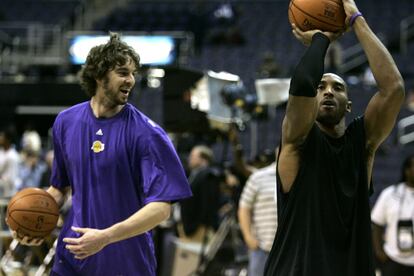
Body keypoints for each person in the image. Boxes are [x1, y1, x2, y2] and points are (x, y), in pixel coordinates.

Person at [10, 32, 192, 276]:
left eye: (133, 73)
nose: (131, 80)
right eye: (122, 73)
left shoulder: (148, 134)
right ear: (98, 75)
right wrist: (31, 223)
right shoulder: (66, 121)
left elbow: (161, 208)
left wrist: (106, 236)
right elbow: (59, 189)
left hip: (125, 264)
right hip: (72, 257)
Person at [264, 0, 405, 275]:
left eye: (337, 87)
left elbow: (394, 89)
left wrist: (357, 20)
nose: (328, 91)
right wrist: (322, 38)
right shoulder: (297, 140)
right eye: (322, 87)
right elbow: (303, 83)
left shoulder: (362, 144)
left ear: (349, 105)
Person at [371, 155, 414, 275]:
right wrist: (379, 251)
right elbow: (377, 224)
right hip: (393, 260)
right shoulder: (390, 194)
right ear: (407, 170)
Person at [238, 156, 277, 276]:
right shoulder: (258, 177)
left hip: (293, 250)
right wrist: (248, 237)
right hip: (262, 248)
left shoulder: (305, 177)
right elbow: (244, 208)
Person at [179, 145, 221, 241]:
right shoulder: (194, 174)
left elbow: (208, 204)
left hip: (200, 228)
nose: (189, 159)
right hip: (190, 227)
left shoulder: (208, 176)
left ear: (203, 159)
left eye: (193, 156)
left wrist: (201, 227)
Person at [0, 125, 20, 198]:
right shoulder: (1, 152)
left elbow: (11, 178)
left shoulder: (13, 156)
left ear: (8, 139)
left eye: (2, 137)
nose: (0, 138)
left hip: (9, 192)